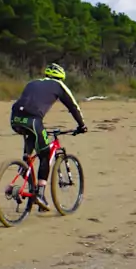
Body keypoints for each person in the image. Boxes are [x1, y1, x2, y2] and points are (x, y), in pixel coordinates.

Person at [10, 63, 87, 209]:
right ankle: (39, 194)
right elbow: (73, 106)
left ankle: (24, 167)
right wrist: (82, 125)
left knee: (31, 141)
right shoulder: (58, 85)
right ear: (61, 77)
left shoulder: (32, 82)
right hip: (33, 120)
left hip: (15, 119)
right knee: (44, 154)